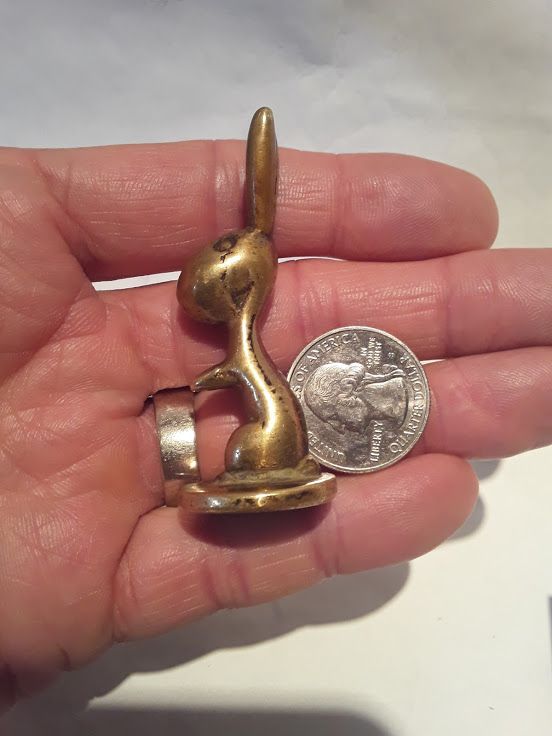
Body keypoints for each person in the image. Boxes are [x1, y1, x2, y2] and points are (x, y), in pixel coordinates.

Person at [0, 141, 550, 711]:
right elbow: (242, 365)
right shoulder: (244, 332)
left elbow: (240, 366)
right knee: (251, 437)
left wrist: (208, 382)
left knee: (249, 445)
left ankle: (267, 465)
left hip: (270, 444)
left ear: (239, 286)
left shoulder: (244, 331)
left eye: (223, 258)